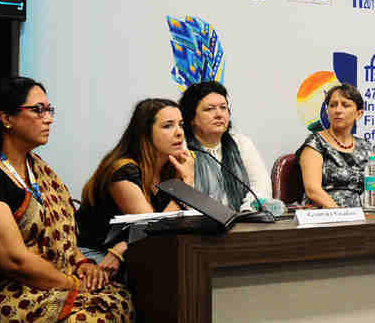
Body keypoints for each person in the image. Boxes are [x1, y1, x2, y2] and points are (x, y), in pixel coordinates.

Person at [0, 77, 135, 322]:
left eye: (49, 110)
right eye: (38, 110)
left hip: (46, 280)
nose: (48, 118)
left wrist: (82, 264)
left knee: (119, 298)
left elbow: (62, 238)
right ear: (6, 118)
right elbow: (12, 260)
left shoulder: (37, 168)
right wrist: (71, 283)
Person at [76, 98, 194, 278]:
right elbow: (152, 228)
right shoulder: (123, 171)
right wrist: (185, 185)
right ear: (145, 132)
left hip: (129, 250)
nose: (179, 133)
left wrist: (124, 245)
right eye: (168, 126)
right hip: (94, 254)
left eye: (181, 125)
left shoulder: (171, 168)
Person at [179, 81, 271, 211]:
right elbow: (184, 199)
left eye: (223, 107)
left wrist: (246, 212)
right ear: (192, 117)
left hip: (242, 221)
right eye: (209, 109)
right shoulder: (182, 148)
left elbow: (261, 186)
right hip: (200, 225)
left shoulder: (240, 143)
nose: (219, 114)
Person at [297, 84, 375, 208]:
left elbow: (372, 188)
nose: (337, 110)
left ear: (359, 114)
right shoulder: (315, 143)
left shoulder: (366, 147)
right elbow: (312, 190)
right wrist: (340, 214)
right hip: (324, 215)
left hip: (359, 216)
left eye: (345, 105)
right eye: (332, 105)